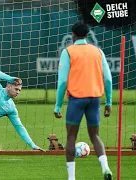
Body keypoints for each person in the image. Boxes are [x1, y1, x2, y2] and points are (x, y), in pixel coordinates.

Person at [53, 22, 113, 180]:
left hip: (76, 99)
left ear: (73, 35)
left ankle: (71, 178)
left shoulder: (68, 51)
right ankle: (105, 167)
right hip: (94, 99)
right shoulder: (98, 51)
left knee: (71, 137)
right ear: (87, 35)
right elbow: (108, 79)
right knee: (95, 136)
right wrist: (109, 103)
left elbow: (62, 83)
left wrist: (58, 105)